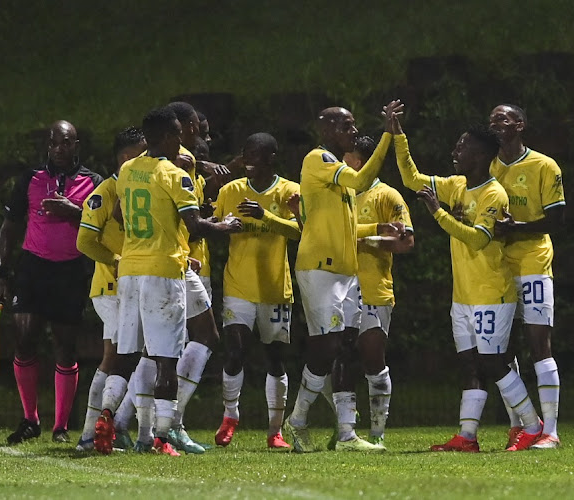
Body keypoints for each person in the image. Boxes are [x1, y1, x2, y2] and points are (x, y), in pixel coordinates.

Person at [93, 106, 241, 455]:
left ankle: (106, 418)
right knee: (165, 358)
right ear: (162, 138)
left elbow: (118, 216)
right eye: (176, 134)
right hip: (163, 271)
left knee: (128, 353)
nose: (181, 140)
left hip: (131, 270)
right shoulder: (176, 175)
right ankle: (162, 437)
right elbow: (195, 226)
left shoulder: (128, 170)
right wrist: (226, 226)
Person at [392, 112, 543, 452]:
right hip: (463, 295)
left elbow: (478, 240)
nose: (455, 151)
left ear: (479, 155)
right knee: (470, 363)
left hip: (491, 292)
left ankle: (533, 426)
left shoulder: (495, 194)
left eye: (462, 146)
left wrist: (438, 213)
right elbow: (411, 177)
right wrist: (398, 136)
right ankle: (467, 437)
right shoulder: (456, 186)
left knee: (493, 362)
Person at [283, 101, 402, 453]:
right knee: (327, 345)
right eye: (347, 126)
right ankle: (298, 419)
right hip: (319, 267)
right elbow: (364, 177)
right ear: (328, 130)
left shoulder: (336, 171)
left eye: (353, 125)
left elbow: (345, 226)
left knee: (344, 348)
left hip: (345, 272)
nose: (353, 131)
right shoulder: (317, 159)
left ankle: (347, 434)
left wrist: (377, 228)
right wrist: (388, 136)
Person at [0, 120, 103, 444]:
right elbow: (9, 227)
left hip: (71, 270)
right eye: (55, 143)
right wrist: (2, 272)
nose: (60, 149)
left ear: (77, 145)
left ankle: (60, 427)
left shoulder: (93, 181)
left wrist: (73, 211)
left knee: (65, 345)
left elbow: (103, 226)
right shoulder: (31, 179)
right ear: (48, 145)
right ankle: (29, 419)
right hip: (33, 268)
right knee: (25, 338)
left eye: (67, 143)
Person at [213, 133, 300, 450]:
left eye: (256, 154)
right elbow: (213, 223)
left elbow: (301, 231)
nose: (248, 159)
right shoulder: (230, 191)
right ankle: (230, 415)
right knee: (234, 352)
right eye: (245, 152)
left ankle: (274, 430)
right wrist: (224, 226)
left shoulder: (290, 191)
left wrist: (266, 216)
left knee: (274, 359)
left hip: (275, 289)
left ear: (272, 157)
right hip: (238, 285)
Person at [488, 104, 565, 449]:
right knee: (499, 350)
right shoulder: (487, 166)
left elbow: (557, 218)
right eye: (491, 120)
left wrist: (518, 229)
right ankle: (519, 425)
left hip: (533, 262)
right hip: (497, 267)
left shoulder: (544, 165)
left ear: (519, 124)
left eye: (501, 119)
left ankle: (550, 430)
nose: (495, 124)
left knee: (538, 345)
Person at [73, 126, 146, 451]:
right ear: (128, 157)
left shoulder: (141, 187)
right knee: (115, 356)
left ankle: (115, 429)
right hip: (111, 287)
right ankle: (90, 434)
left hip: (136, 283)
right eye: (144, 153)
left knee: (133, 356)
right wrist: (115, 259)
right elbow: (85, 240)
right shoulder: (106, 191)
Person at [350, 136, 414, 448]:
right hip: (337, 287)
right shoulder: (340, 193)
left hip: (374, 288)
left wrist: (368, 240)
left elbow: (406, 242)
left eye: (345, 156)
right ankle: (345, 427)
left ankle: (377, 433)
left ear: (359, 161)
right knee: (332, 358)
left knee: (372, 359)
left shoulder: (386, 195)